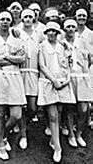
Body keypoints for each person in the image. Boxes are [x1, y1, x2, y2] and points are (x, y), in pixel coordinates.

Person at [0, 11, 26, 160]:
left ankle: (3, 135)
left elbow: (22, 58)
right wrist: (13, 60)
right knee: (0, 113)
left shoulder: (16, 39)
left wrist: (7, 57)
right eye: (2, 19)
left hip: (14, 77)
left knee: (16, 114)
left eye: (7, 19)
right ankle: (0, 144)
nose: (5, 22)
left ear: (11, 21)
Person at [38, 21, 76, 162]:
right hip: (48, 82)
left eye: (54, 31)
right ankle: (58, 148)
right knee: (52, 115)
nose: (52, 33)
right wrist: (53, 80)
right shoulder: (41, 46)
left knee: (59, 112)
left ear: (58, 33)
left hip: (62, 83)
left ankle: (54, 140)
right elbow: (42, 65)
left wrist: (66, 80)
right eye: (49, 31)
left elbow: (68, 65)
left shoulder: (63, 46)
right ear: (46, 32)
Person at [63, 18, 93, 147]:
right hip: (69, 78)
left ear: (76, 29)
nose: (70, 29)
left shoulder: (83, 42)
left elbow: (90, 59)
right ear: (64, 29)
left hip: (82, 77)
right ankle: (71, 134)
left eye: (72, 26)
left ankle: (79, 133)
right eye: (68, 26)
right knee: (69, 108)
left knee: (84, 109)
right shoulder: (61, 43)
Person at [18, 9, 40, 149]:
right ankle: (23, 134)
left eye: (30, 17)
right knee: (19, 105)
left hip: (33, 73)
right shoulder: (16, 32)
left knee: (32, 107)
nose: (27, 19)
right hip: (19, 72)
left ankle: (24, 123)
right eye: (25, 16)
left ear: (34, 19)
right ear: (21, 18)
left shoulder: (39, 35)